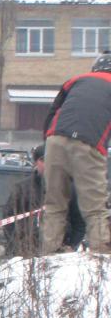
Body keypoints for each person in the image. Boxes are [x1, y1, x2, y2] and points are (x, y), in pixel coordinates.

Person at [42, 51, 111, 253]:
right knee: (95, 206)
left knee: (55, 203)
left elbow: (52, 113)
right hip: (89, 144)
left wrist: (46, 145)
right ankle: (102, 253)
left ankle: (49, 252)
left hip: (55, 140)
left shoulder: (75, 81)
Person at [4, 144, 85, 255]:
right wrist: (18, 247)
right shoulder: (22, 189)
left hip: (60, 253)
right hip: (28, 252)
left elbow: (80, 222)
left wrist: (71, 246)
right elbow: (9, 221)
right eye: (43, 160)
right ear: (36, 162)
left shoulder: (69, 188)